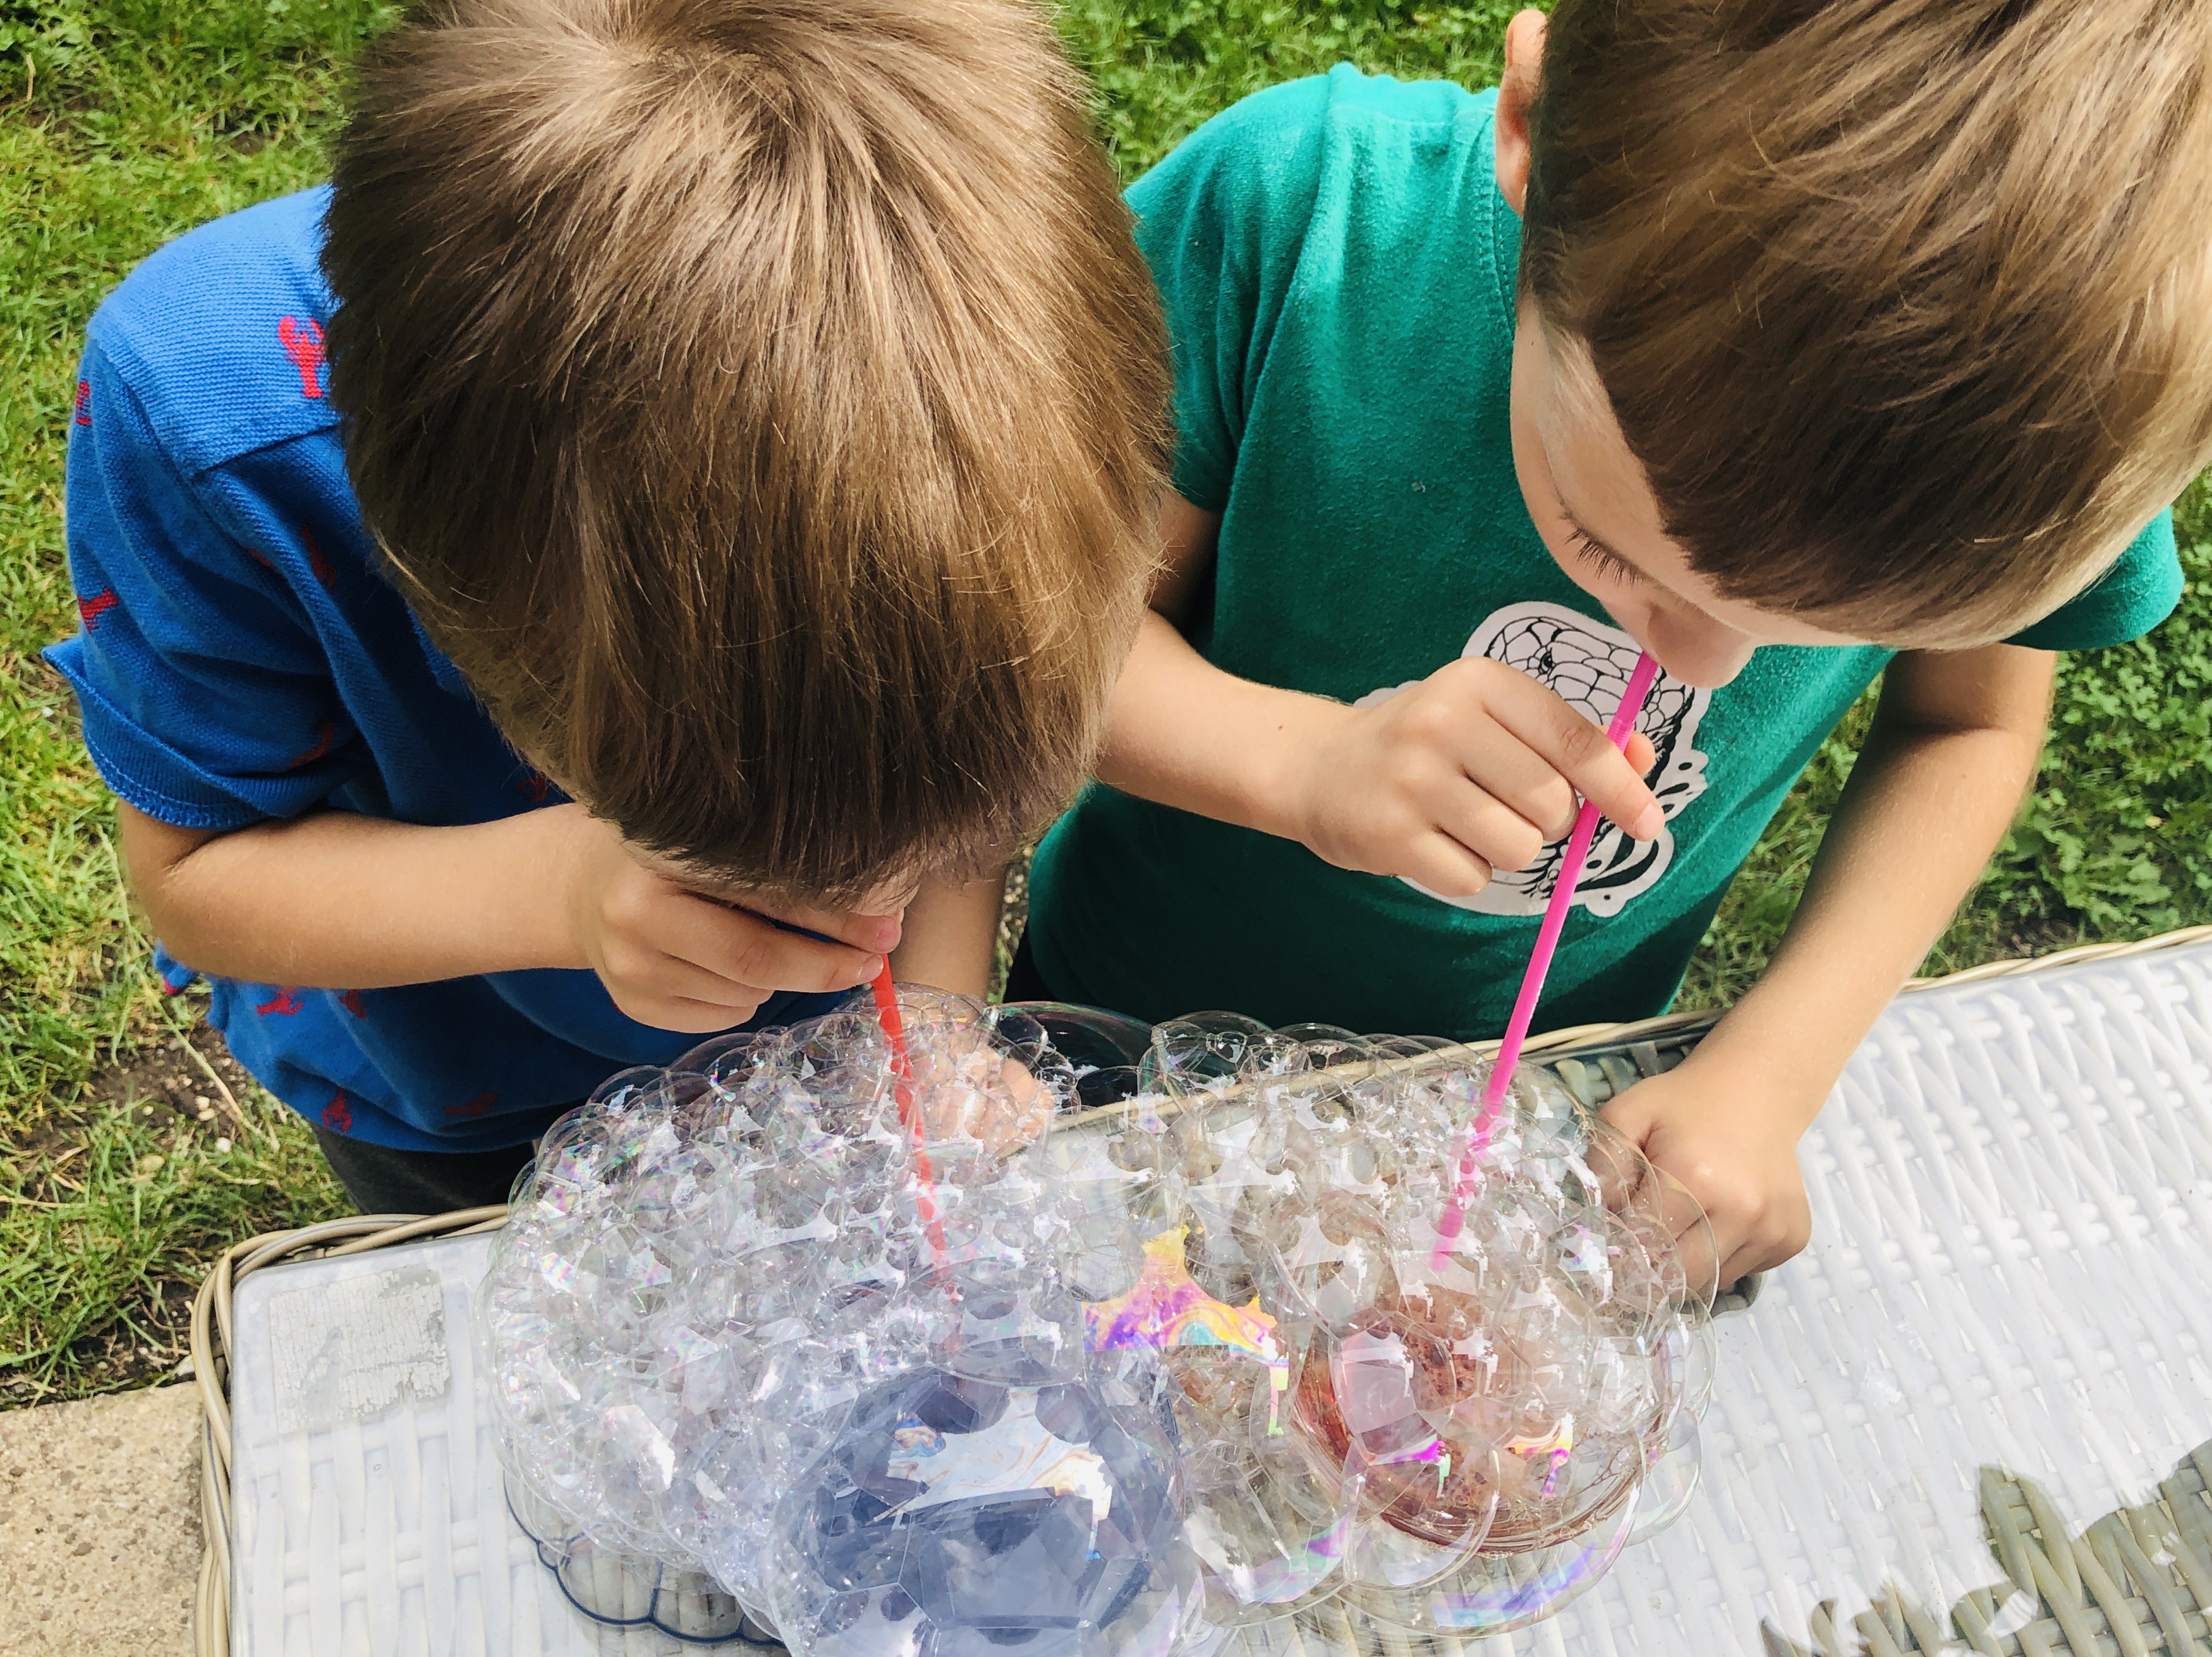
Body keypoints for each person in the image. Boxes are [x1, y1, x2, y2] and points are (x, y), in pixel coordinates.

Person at [1014, 0, 2212, 1289]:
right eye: (1609, 550)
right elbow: (1025, 655)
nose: (1701, 669)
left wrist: (1769, 1070)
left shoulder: (2040, 436)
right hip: (1130, 1043)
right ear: (1528, 130)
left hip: (1548, 1097)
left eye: (1847, 634)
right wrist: (1302, 765)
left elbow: (1967, 724)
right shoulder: (1299, 225)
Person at [45, 0, 1170, 1216]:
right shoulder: (217, 430)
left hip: (831, 1081)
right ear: (434, 599)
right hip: (465, 1093)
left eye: (929, 858)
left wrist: (939, 1026)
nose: (877, 910)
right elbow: (196, 872)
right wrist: (560, 896)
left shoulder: (1010, 366)